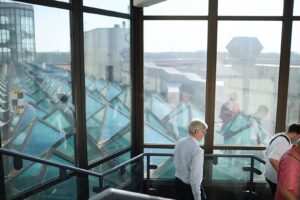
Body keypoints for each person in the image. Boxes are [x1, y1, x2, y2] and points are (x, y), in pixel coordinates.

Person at [173, 119, 208, 200]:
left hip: (178, 182)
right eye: (204, 131)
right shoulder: (197, 150)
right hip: (190, 188)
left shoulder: (179, 142)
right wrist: (198, 197)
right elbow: (195, 178)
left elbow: (175, 162)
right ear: (197, 131)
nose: (204, 134)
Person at [264, 123, 300, 196]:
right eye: (299, 136)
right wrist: (282, 174)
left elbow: (267, 151)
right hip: (273, 176)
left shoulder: (278, 135)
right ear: (295, 134)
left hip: (268, 172)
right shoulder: (283, 142)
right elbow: (272, 159)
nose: (298, 139)